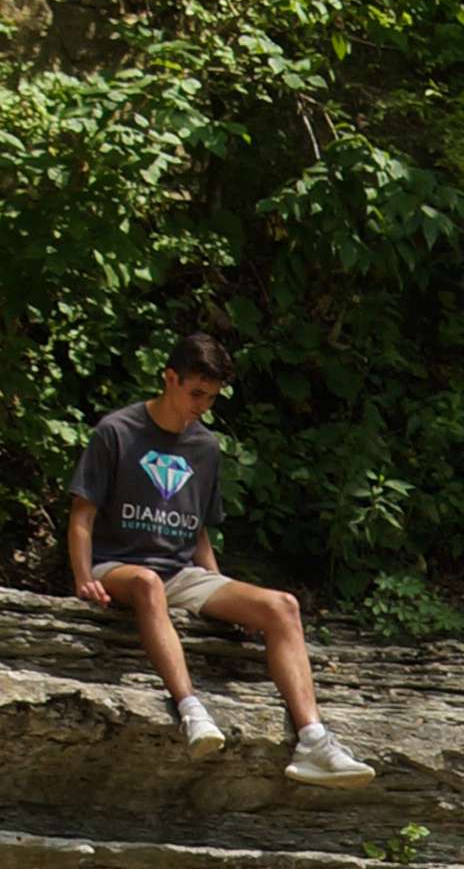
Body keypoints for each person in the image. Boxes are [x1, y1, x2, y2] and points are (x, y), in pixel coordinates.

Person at [65, 335, 371, 785]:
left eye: (211, 398)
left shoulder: (205, 447)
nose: (202, 406)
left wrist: (221, 592)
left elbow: (198, 528)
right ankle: (191, 711)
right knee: (148, 582)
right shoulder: (117, 431)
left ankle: (314, 739)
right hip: (117, 566)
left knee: (281, 605)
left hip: (181, 570)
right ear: (170, 378)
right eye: (196, 394)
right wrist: (81, 577)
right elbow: (82, 514)